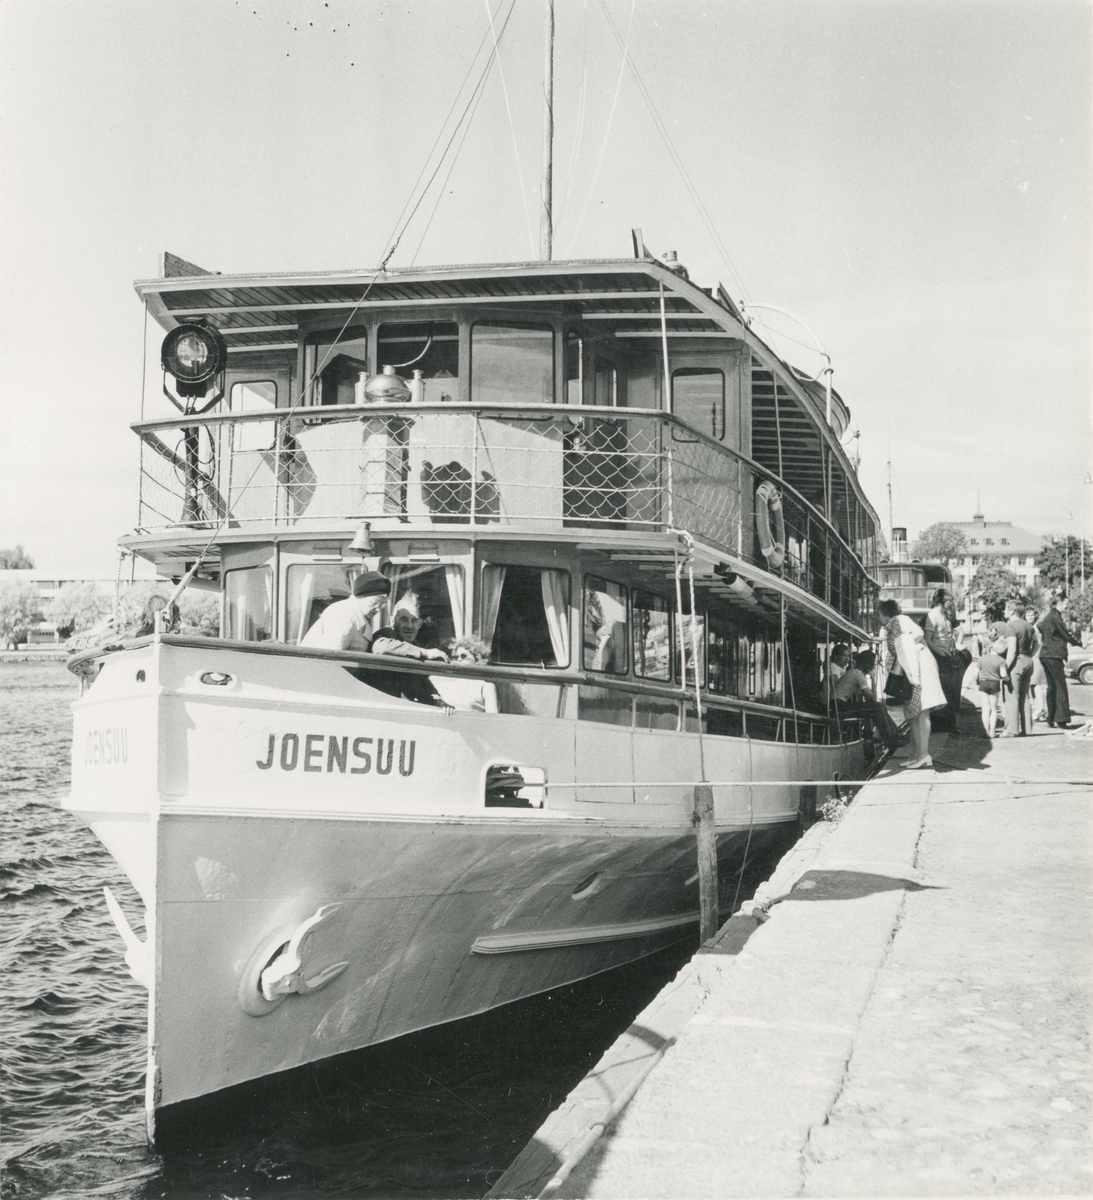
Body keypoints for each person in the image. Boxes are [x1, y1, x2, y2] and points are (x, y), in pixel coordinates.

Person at [879, 598, 948, 769]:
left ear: (885, 614)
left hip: (919, 666)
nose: (876, 617)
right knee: (911, 711)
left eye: (878, 614)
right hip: (911, 668)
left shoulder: (899, 620)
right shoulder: (890, 626)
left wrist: (903, 644)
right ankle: (916, 754)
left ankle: (923, 755)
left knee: (921, 709)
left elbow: (918, 633)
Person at [300, 570, 391, 651]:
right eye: (374, 603)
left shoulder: (357, 614)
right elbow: (334, 657)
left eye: (382, 604)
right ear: (359, 597)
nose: (378, 608)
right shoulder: (343, 615)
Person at [833, 649, 901, 752]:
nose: (875, 666)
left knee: (878, 706)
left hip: (838, 705)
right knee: (877, 707)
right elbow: (872, 697)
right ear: (869, 664)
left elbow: (871, 699)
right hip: (838, 706)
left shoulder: (855, 673)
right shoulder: (857, 674)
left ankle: (895, 735)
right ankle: (891, 739)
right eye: (874, 663)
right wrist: (873, 678)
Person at [1037, 592, 1083, 729]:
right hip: (1054, 655)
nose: (1067, 607)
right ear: (1059, 603)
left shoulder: (1048, 616)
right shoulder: (1056, 617)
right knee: (1060, 686)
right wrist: (1080, 643)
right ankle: (1061, 719)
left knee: (1052, 687)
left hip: (1045, 654)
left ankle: (1051, 718)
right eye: (1066, 604)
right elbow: (1066, 634)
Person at [923, 589, 962, 734]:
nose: (951, 604)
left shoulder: (944, 615)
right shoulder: (932, 616)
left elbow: (949, 635)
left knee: (949, 691)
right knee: (942, 691)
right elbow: (928, 639)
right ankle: (941, 726)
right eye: (949, 602)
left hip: (946, 656)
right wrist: (939, 651)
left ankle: (948, 725)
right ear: (942, 602)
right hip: (938, 658)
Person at [998, 597, 1037, 737]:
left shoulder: (1011, 627)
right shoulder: (1028, 625)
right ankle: (1027, 729)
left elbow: (1013, 650)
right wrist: (1029, 655)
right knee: (1025, 697)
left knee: (1011, 697)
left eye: (1006, 608)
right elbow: (1037, 643)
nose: (1004, 611)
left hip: (1016, 662)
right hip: (1028, 661)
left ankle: (1011, 730)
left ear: (1012, 610)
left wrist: (1004, 668)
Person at [430, 636, 500, 713]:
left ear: (477, 658)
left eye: (463, 656)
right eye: (456, 657)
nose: (459, 659)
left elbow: (493, 720)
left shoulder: (486, 687)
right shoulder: (446, 685)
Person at [975, 637, 1009, 739]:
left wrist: (977, 683)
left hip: (983, 683)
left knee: (985, 709)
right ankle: (992, 732)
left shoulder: (982, 658)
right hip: (995, 684)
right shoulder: (1002, 660)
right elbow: (1003, 675)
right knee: (994, 709)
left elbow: (976, 673)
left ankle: (985, 731)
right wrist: (1008, 679)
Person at [1024, 606, 1048, 723]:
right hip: (1035, 657)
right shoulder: (1031, 627)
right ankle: (1038, 709)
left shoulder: (1036, 628)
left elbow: (1038, 644)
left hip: (1036, 657)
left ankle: (1042, 709)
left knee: (1036, 683)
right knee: (1033, 684)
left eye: (1031, 615)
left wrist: (1030, 656)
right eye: (1027, 615)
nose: (1029, 617)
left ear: (1035, 616)